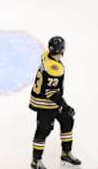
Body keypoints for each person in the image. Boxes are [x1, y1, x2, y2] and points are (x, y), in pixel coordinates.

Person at [29, 36, 81, 169]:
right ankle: (36, 161)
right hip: (44, 103)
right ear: (62, 50)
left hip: (48, 99)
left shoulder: (46, 55)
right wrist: (65, 105)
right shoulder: (54, 69)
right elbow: (51, 93)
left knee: (67, 120)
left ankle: (66, 153)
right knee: (43, 130)